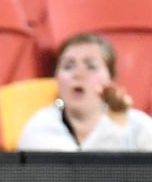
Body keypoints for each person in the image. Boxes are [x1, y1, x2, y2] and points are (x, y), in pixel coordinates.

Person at [18, 33, 152, 151]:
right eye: (68, 66)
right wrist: (114, 121)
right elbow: (82, 176)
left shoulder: (139, 125)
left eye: (91, 66)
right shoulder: (40, 126)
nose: (78, 74)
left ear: (111, 78)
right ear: (56, 78)